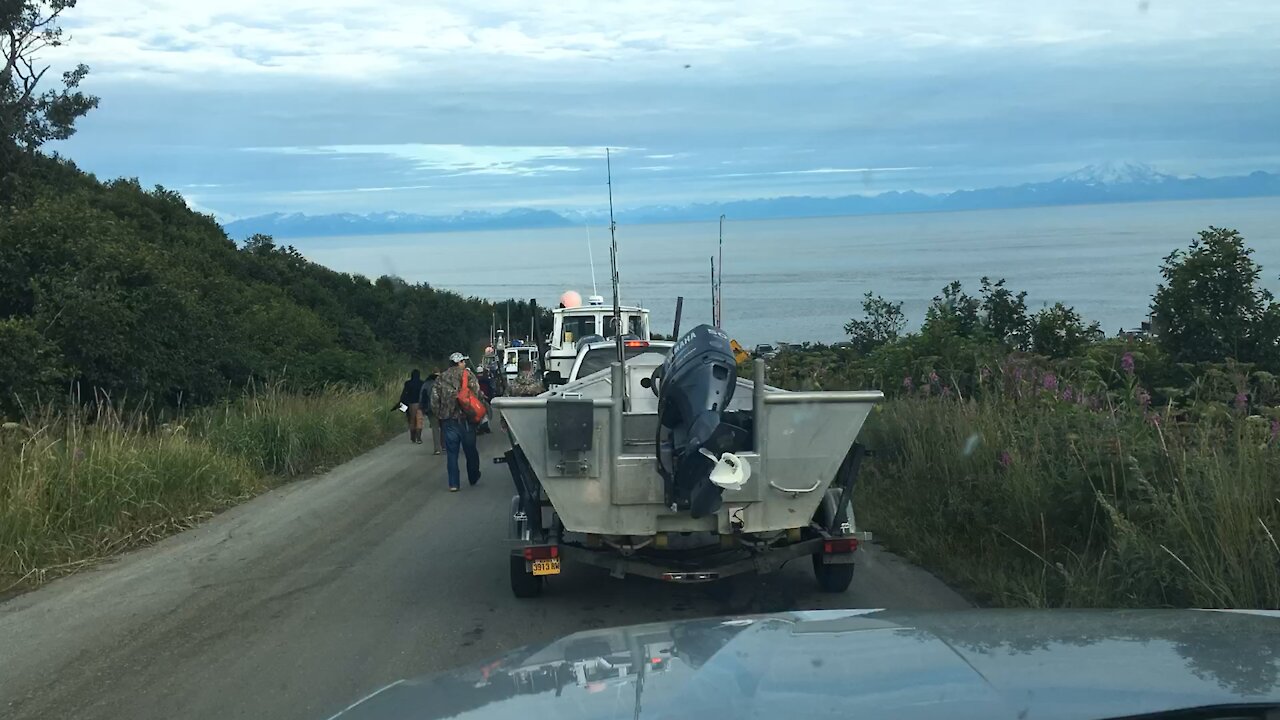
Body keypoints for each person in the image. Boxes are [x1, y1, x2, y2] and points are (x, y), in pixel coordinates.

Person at [431, 352, 483, 492]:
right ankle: (473, 476)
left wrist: (439, 416)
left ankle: (453, 484)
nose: (464, 364)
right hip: (466, 420)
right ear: (459, 362)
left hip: (449, 420)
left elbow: (435, 400)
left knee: (452, 454)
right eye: (463, 362)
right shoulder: (468, 375)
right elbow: (477, 392)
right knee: (470, 450)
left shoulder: (441, 378)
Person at [418, 370, 442, 455]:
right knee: (444, 427)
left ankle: (437, 449)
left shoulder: (425, 384)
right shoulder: (440, 384)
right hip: (441, 408)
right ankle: (444, 445)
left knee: (435, 428)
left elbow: (422, 397)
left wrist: (422, 408)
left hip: (430, 409)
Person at [398, 369, 425, 444]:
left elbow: (404, 394)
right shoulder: (422, 383)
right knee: (419, 420)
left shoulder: (408, 383)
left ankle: (413, 437)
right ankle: (419, 438)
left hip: (411, 404)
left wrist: (402, 404)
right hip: (420, 404)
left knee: (412, 420)